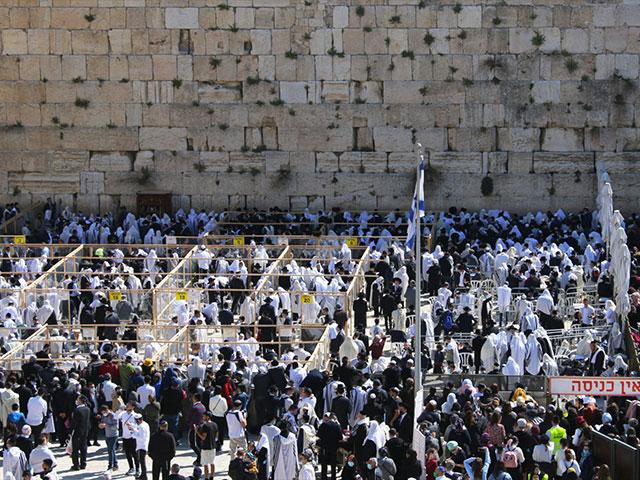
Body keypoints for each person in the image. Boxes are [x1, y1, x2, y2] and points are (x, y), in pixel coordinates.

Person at [317, 412, 342, 480]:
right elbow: (340, 437)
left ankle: (324, 477)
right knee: (333, 463)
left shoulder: (324, 424)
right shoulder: (337, 426)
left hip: (324, 447)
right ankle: (333, 477)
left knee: (324, 464)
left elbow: (318, 435)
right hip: (334, 448)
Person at [71, 395, 91, 471]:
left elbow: (74, 423)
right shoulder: (87, 409)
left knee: (75, 449)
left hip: (77, 431)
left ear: (80, 401)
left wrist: (70, 431)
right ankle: (83, 463)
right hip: (85, 431)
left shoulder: (77, 410)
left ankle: (76, 465)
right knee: (83, 448)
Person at [196, 411, 218, 480]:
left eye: (204, 416)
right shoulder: (215, 424)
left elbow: (203, 437)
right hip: (213, 446)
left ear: (207, 417)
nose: (203, 417)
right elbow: (216, 437)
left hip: (205, 447)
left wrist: (197, 431)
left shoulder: (205, 426)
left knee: (205, 464)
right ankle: (212, 477)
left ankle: (206, 478)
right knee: (212, 462)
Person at [99, 404, 120, 471]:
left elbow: (116, 427)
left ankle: (110, 465)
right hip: (107, 435)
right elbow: (102, 422)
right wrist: (100, 425)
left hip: (114, 435)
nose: (103, 414)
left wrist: (107, 425)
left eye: (104, 412)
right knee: (112, 450)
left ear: (107, 410)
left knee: (110, 450)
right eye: (102, 413)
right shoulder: (103, 416)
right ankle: (115, 464)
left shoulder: (113, 415)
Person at [131, 412, 151, 480]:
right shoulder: (144, 424)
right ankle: (143, 475)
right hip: (142, 445)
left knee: (142, 462)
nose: (136, 422)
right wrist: (134, 429)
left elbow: (141, 437)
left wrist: (132, 433)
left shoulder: (142, 426)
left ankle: (144, 476)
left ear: (139, 420)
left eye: (136, 420)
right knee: (142, 462)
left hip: (142, 446)